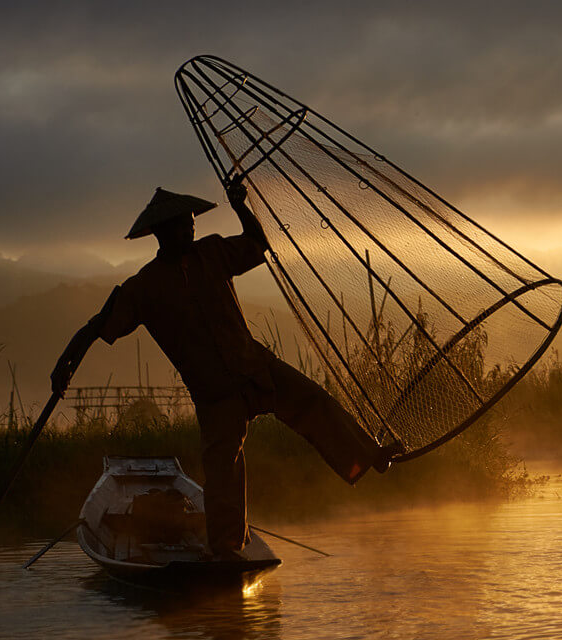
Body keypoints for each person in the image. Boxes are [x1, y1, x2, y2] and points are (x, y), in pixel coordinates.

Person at [54, 178, 401, 559]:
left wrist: (240, 206)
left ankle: (369, 455)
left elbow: (257, 245)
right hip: (215, 392)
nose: (190, 229)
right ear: (161, 234)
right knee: (223, 469)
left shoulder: (212, 253)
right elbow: (97, 326)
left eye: (190, 223)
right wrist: (64, 365)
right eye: (182, 225)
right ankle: (225, 551)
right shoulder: (144, 288)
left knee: (313, 401)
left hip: (255, 366)